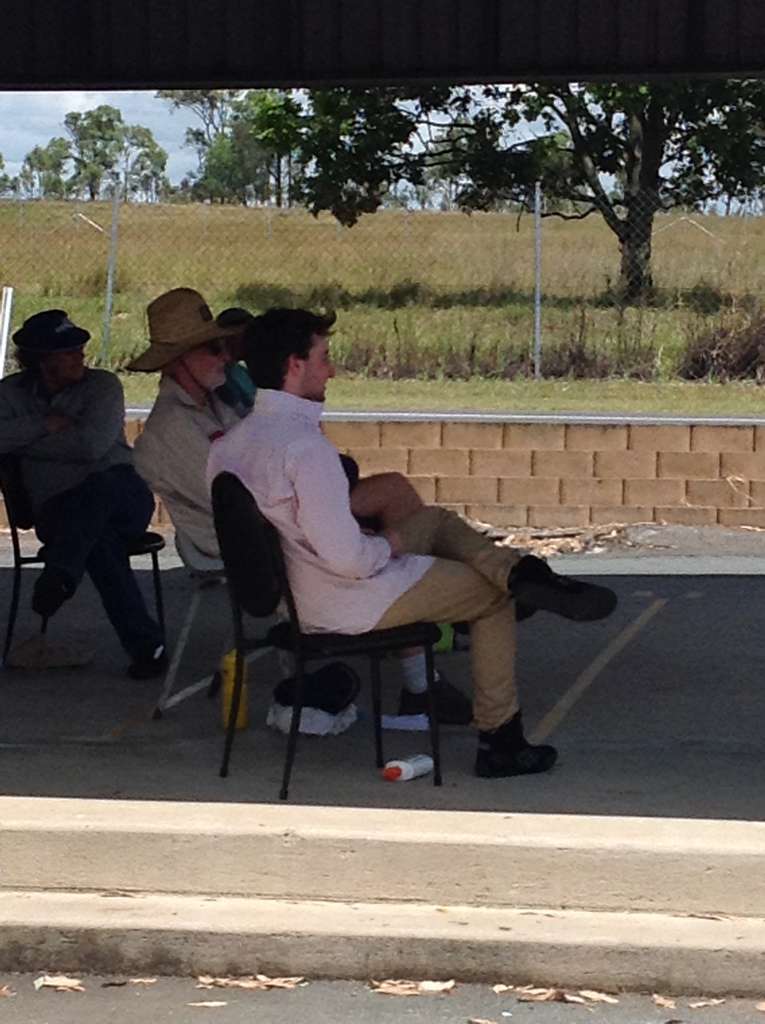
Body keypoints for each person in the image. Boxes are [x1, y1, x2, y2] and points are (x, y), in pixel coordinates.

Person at [207, 308, 618, 777]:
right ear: (294, 365)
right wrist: (389, 544)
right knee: (493, 598)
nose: (332, 370)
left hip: (297, 596)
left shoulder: (227, 447)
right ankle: (500, 739)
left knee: (434, 521)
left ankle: (521, 571)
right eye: (324, 358)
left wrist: (384, 538)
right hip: (344, 599)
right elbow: (349, 560)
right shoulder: (305, 449)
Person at [0, 309, 166, 678]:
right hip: (56, 509)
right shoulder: (9, 395)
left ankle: (61, 572)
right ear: (42, 360)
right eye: (68, 351)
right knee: (98, 541)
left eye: (79, 348)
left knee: (100, 486)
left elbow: (91, 446)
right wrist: (43, 424)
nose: (80, 355)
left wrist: (24, 443)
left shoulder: (102, 387)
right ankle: (148, 649)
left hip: (122, 497)